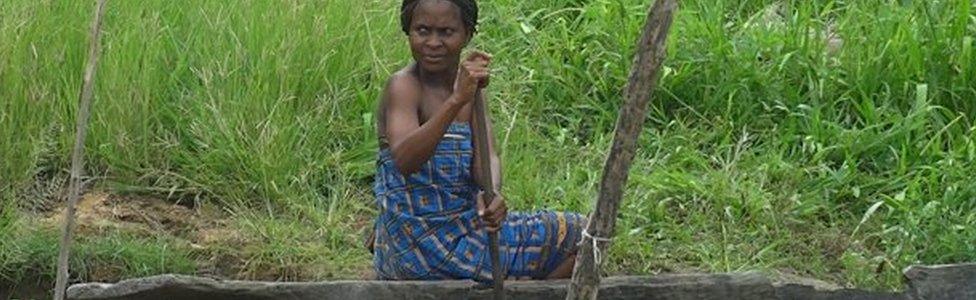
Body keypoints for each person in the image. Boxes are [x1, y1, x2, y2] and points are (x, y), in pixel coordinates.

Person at [370, 0, 585, 282]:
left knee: (587, 235)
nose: (433, 42)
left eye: (446, 32)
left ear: (467, 34)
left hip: (466, 228)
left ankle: (530, 289)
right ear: (407, 31)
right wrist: (456, 99)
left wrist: (491, 193)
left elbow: (488, 157)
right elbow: (405, 159)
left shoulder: (472, 90)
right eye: (422, 30)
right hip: (418, 247)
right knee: (584, 235)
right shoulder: (404, 86)